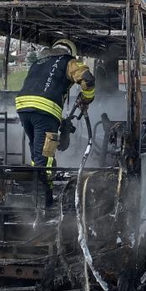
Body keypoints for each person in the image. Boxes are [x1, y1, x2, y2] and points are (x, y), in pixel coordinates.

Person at [15, 38, 95, 202]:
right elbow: (88, 78)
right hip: (45, 110)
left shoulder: (37, 63)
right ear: (70, 51)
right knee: (45, 156)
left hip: (23, 107)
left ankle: (35, 193)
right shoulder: (68, 61)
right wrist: (87, 99)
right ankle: (45, 200)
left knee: (36, 152)